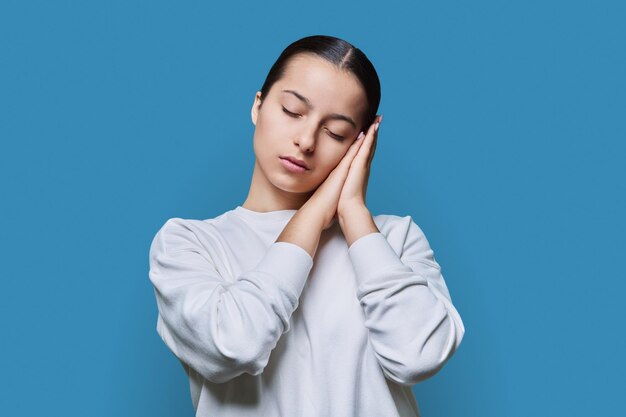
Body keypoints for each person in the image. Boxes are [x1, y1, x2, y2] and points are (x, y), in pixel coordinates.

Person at [148, 34, 465, 417]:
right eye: (293, 110)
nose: (306, 140)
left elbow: (419, 355)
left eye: (336, 133)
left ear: (362, 145)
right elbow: (234, 345)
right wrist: (313, 217)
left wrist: (353, 213)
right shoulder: (187, 244)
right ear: (258, 105)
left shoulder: (393, 241)